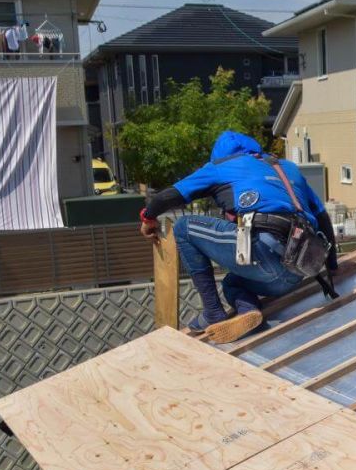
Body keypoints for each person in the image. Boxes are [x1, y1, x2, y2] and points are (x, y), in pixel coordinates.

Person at [139, 131, 339, 342]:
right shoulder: (288, 168)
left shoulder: (221, 166)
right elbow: (322, 218)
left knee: (183, 227)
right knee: (232, 284)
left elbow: (167, 197)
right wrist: (333, 267)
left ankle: (212, 312)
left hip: (264, 250)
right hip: (297, 271)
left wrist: (148, 217)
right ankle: (248, 312)